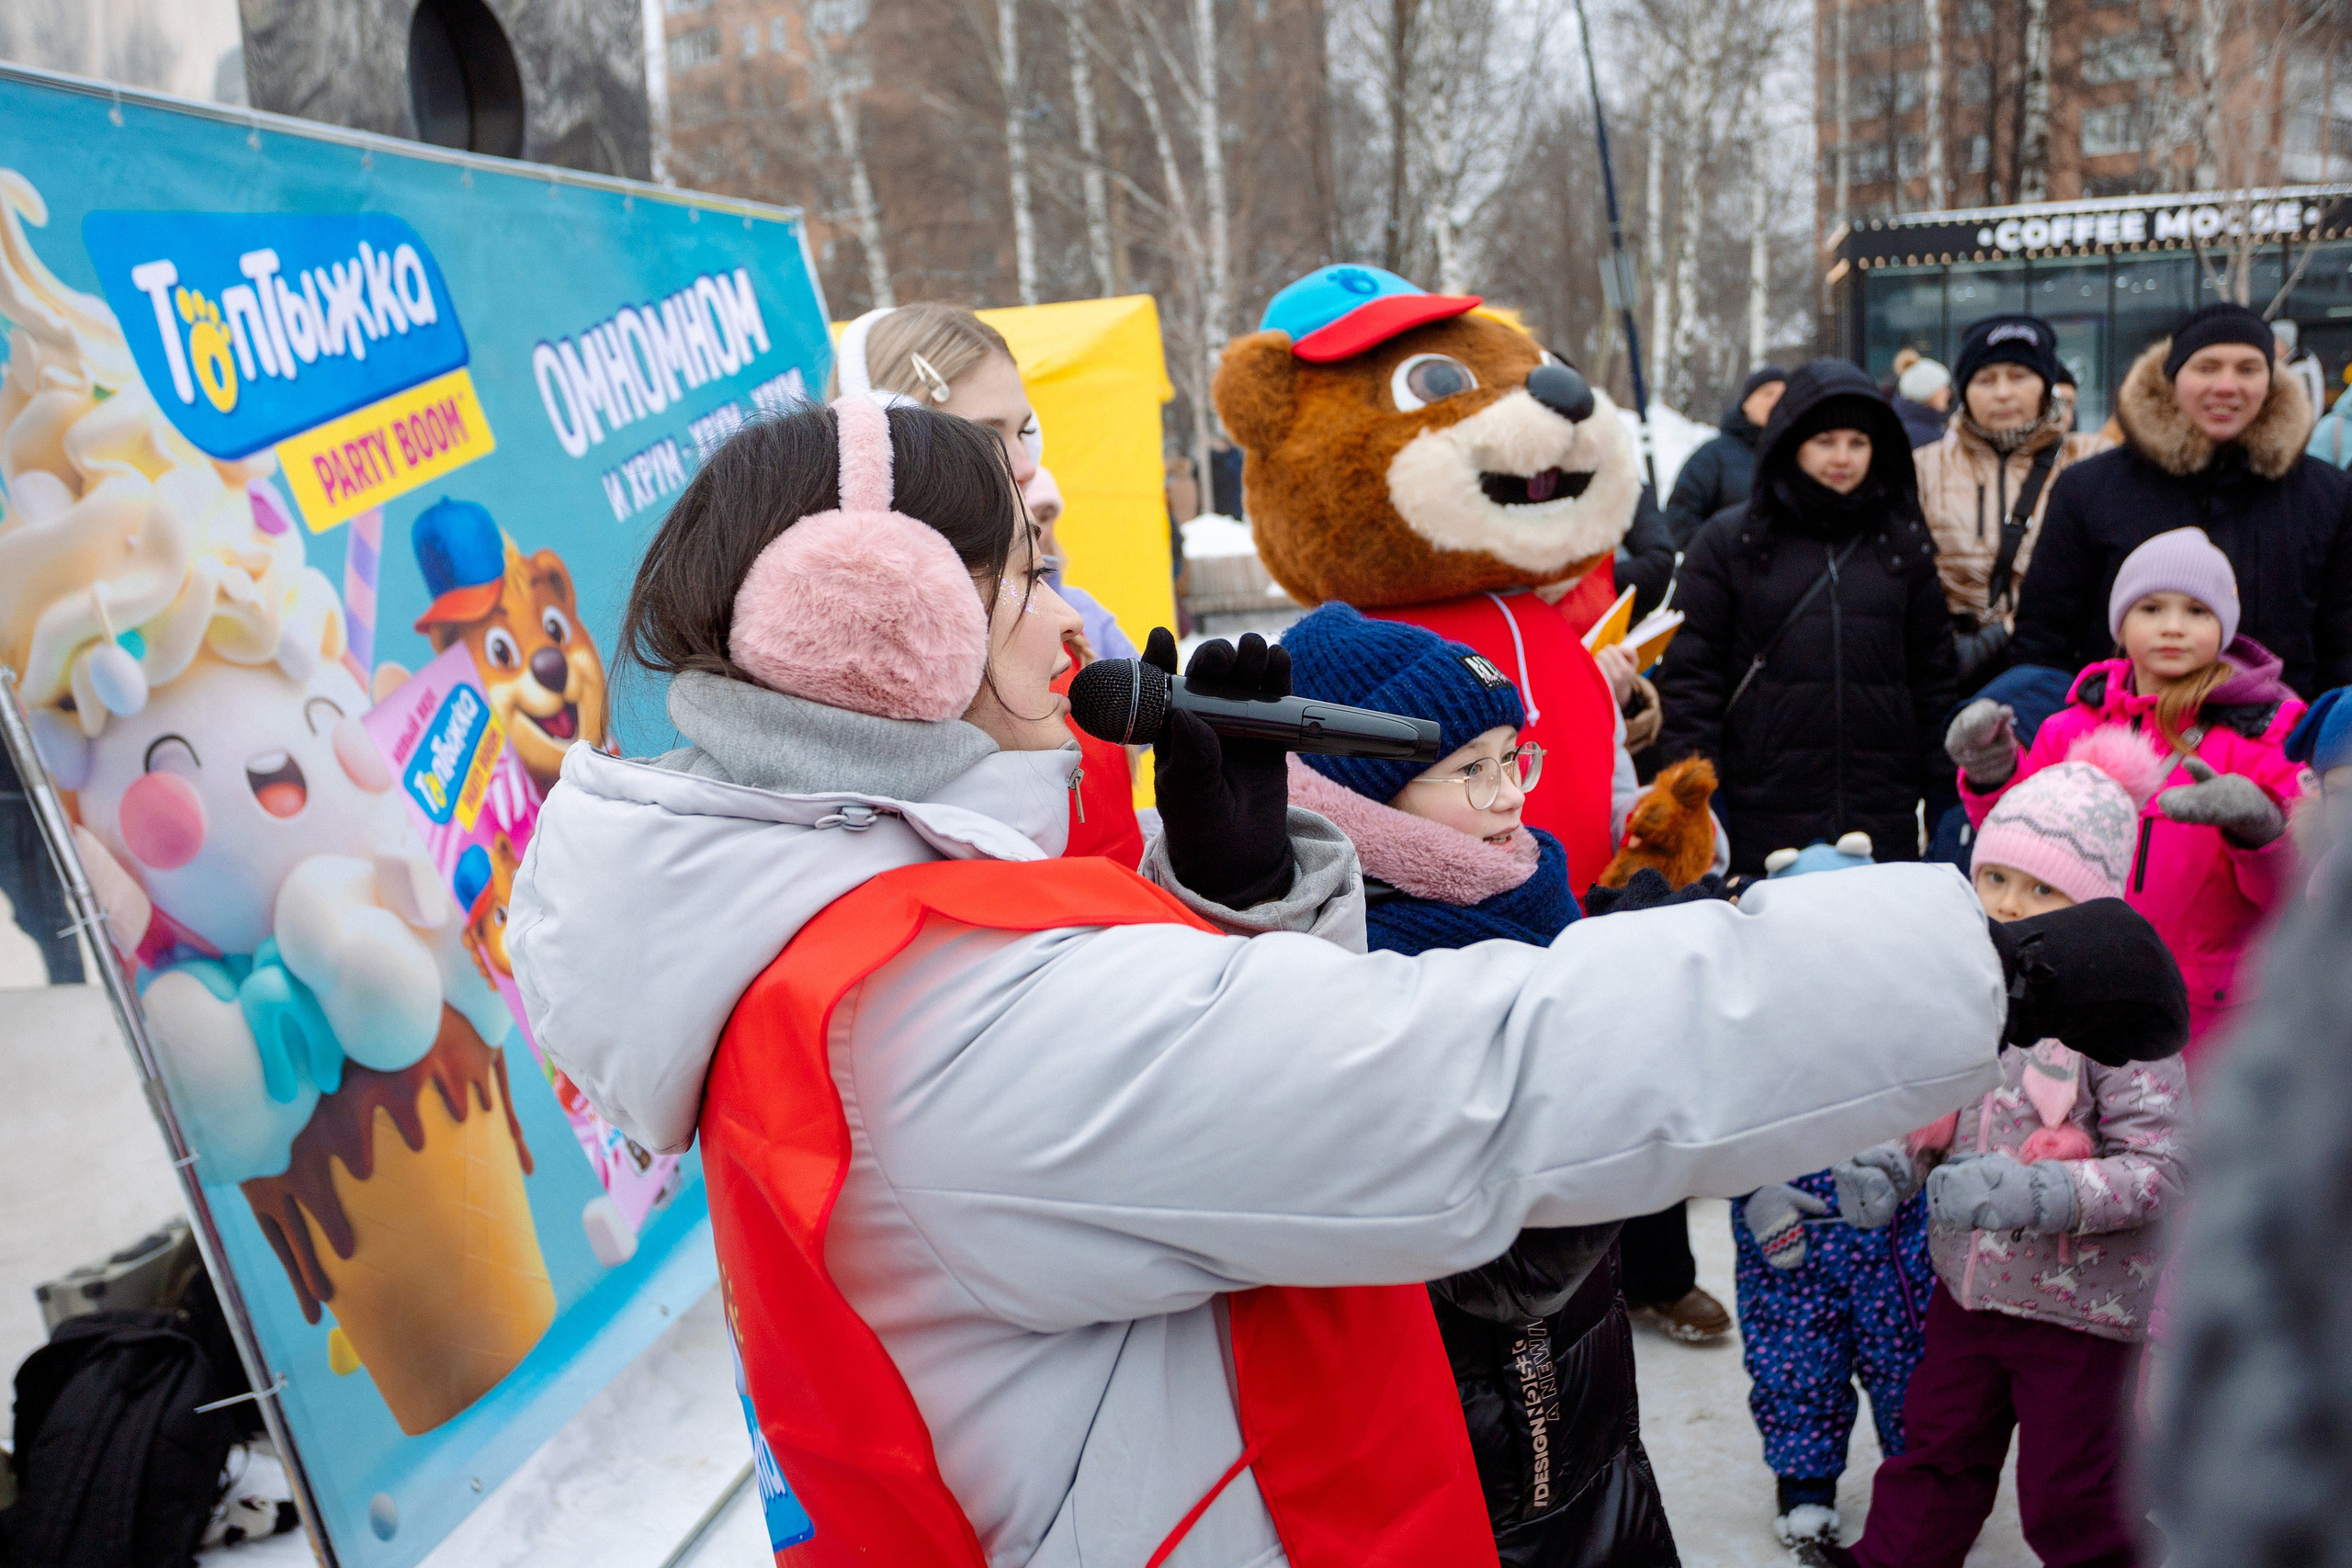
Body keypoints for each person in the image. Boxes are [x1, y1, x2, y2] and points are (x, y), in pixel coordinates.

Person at [508, 397, 2186, 1567]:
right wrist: (1975, 960)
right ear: (882, 627)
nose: (1072, 616)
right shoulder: (933, 1023)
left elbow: (1195, 1167)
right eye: (1026, 560)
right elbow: (1476, 1084)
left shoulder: (862, 945)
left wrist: (1239, 899)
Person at [1281, 602, 1678, 1565]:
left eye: (1514, 758)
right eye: (1470, 770)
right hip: (1489, 1380)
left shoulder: (1512, 889)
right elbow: (1506, 1258)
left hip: (1579, 1359)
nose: (1510, 797)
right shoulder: (1379, 954)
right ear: (1362, 795)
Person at [1805, 731, 2193, 1568]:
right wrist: (1890, 1164)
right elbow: (1926, 1113)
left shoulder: (2121, 1020)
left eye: (2043, 888)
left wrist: (2040, 1194)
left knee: (2073, 1488)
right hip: (1969, 1294)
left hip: (2081, 1313)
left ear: (2096, 908)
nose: (2010, 905)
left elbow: (2163, 1168)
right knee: (1933, 1452)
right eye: (1996, 878)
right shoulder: (1960, 994)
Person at [1950, 527, 2306, 1066]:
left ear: (2224, 627)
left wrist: (2260, 831)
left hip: (2211, 1010)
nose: (2172, 627)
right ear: (2120, 623)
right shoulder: (2068, 728)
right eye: (2151, 608)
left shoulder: (2265, 736)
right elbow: (2019, 850)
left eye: (2196, 612)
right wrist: (1992, 778)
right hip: (2070, 997)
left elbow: (2295, 891)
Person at [1656, 358, 1959, 875]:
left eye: (1858, 443)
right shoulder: (1731, 543)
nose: (1842, 457)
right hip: (1760, 817)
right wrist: (1699, 804)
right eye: (1826, 441)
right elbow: (1689, 684)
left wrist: (1948, 806)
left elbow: (1935, 684)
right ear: (1791, 441)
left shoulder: (1900, 544)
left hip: (1879, 817)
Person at [1729, 838, 1936, 1553]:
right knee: (1795, 1365)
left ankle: (1920, 1482)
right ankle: (1805, 1483)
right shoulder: (1749, 1032)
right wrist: (1754, 1192)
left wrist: (1912, 1166)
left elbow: (1942, 1116)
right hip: (1790, 1244)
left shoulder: (1909, 1018)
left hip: (1893, 1246)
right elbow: (1719, 1123)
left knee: (1908, 1363)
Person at [2011, 300, 2352, 697]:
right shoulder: (2088, 488)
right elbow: (2043, 643)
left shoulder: (2326, 495)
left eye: (2248, 368)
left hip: (2281, 745)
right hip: (2119, 741)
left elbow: (2343, 647)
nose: (2226, 385)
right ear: (2172, 378)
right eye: (2206, 367)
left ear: (2271, 383)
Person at [1915, 314, 2109, 692]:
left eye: (2019, 376)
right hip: (1954, 666)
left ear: (2046, 386)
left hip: (2063, 667)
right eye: (1985, 379)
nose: (2002, 393)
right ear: (1964, 391)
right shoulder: (1922, 467)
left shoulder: (2094, 460)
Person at [1662, 366, 1787, 548]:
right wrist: (1717, 555)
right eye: (1768, 394)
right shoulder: (1713, 455)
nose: (1776, 401)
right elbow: (1679, 516)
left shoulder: (1804, 456)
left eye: (1784, 396)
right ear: (1745, 403)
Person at [1894, 358, 1952, 448]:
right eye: (1943, 389)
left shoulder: (1910, 423)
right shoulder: (1921, 436)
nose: (1948, 393)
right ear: (1929, 393)